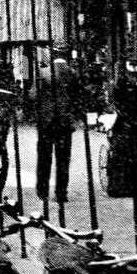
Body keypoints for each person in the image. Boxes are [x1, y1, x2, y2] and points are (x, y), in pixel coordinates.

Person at [34, 56, 85, 214]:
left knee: (44, 157)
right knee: (63, 159)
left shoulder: (42, 73)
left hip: (46, 122)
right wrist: (74, 116)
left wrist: (39, 113)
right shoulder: (72, 74)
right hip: (64, 122)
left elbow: (33, 95)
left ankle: (42, 190)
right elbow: (79, 98)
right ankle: (61, 192)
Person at [107, 58, 137, 198]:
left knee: (135, 150)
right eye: (133, 65)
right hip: (126, 120)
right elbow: (117, 99)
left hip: (133, 119)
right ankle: (127, 185)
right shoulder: (123, 79)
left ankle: (133, 185)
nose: (136, 67)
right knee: (128, 150)